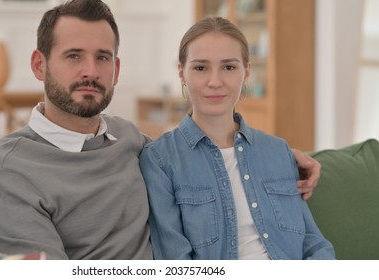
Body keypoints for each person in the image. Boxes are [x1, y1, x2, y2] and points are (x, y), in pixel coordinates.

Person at [0, 0, 321, 260]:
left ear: (117, 69)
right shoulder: (7, 174)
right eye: (74, 56)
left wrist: (277, 157)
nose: (90, 71)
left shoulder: (130, 140)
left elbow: (199, 155)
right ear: (39, 64)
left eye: (103, 57)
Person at [139, 17, 335, 260]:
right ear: (182, 73)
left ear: (247, 72)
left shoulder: (279, 151)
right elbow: (175, 261)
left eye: (229, 67)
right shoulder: (159, 160)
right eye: (200, 68)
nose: (215, 81)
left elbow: (314, 244)